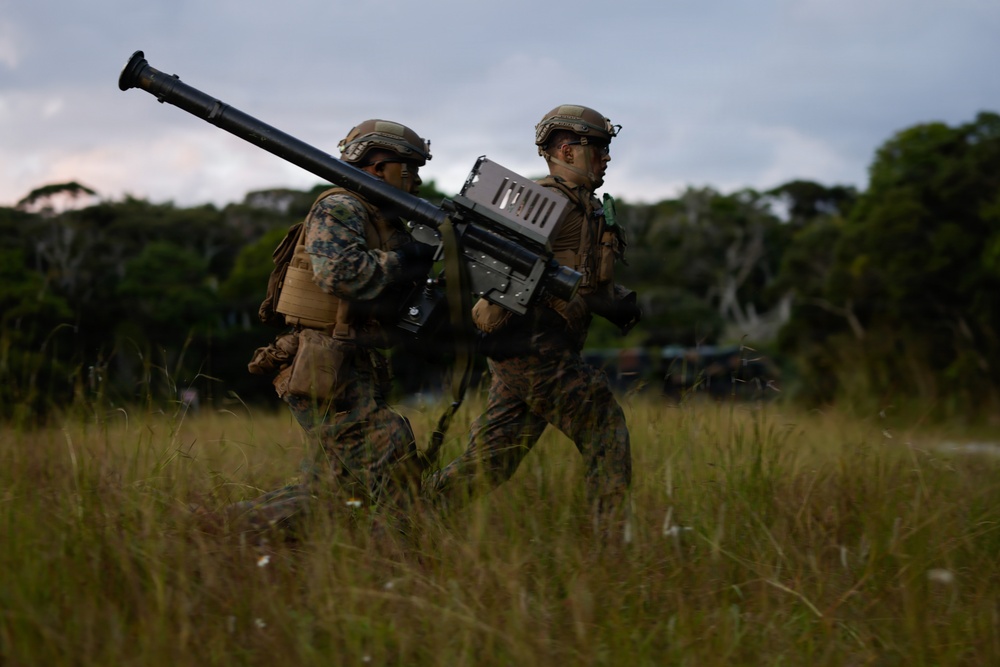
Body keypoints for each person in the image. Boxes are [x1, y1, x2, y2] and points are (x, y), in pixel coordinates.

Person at [423, 105, 641, 541]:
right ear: (567, 150)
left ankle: (406, 517)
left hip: (538, 346)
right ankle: (611, 542)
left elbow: (581, 278)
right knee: (604, 426)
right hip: (528, 344)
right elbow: (482, 266)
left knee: (493, 461)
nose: (606, 157)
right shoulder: (544, 203)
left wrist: (617, 303)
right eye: (598, 147)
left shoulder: (587, 209)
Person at [232, 119, 438, 545]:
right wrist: (408, 260)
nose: (416, 181)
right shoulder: (341, 207)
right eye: (410, 169)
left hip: (350, 363)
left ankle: (225, 532)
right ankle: (403, 559)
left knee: (331, 489)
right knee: (388, 443)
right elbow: (341, 275)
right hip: (322, 365)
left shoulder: (382, 218)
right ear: (379, 167)